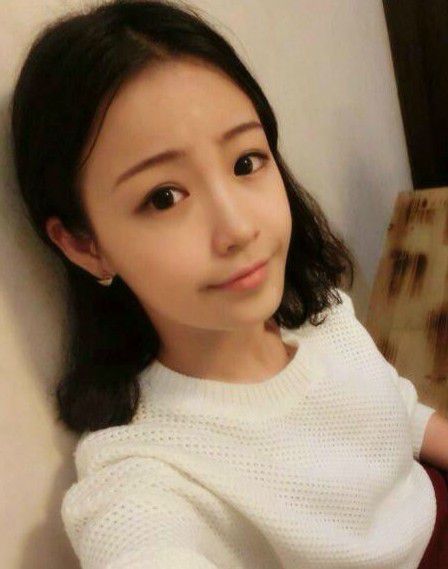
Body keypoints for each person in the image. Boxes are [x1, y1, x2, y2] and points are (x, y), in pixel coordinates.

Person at [9, 1, 448, 567]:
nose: (240, 229)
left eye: (245, 162)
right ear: (83, 244)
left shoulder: (321, 315)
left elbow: (397, 415)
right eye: (163, 197)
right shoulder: (145, 476)